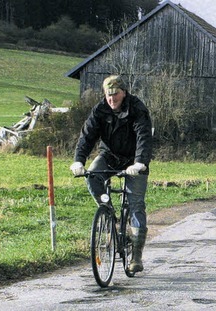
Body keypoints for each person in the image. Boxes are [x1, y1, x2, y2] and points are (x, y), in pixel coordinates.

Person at [70, 75, 153, 274]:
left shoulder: (137, 109)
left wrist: (140, 163)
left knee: (136, 204)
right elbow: (87, 135)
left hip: (134, 160)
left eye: (115, 95)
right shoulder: (100, 110)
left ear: (124, 93)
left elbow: (144, 136)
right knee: (92, 176)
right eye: (108, 96)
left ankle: (136, 257)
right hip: (109, 155)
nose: (112, 99)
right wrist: (78, 160)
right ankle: (107, 214)